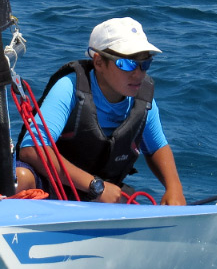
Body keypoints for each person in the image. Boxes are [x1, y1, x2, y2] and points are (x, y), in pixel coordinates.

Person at [12, 17, 186, 206]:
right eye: (126, 64)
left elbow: (157, 147)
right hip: (51, 187)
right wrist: (95, 185)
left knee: (128, 201)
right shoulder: (69, 88)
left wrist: (174, 188)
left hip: (100, 194)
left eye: (144, 64)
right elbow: (31, 150)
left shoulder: (143, 99)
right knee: (18, 179)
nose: (138, 73)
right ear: (99, 62)